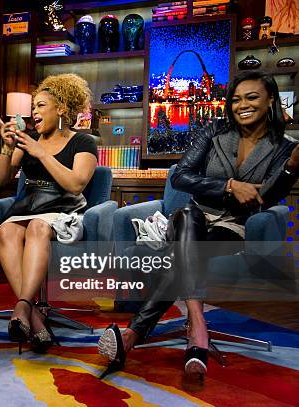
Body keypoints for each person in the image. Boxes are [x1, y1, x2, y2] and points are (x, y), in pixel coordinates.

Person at [97, 70, 299, 380]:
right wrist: (229, 186)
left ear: (270, 99)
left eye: (252, 97)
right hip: (195, 215)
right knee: (187, 218)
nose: (242, 105)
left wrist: (291, 168)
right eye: (236, 99)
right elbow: (179, 176)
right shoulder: (215, 130)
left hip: (234, 226)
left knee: (184, 257)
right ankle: (198, 325)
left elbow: (268, 197)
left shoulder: (284, 146)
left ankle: (133, 335)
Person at [0, 73, 98, 353]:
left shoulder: (83, 142)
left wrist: (41, 154)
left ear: (61, 108)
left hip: (64, 210)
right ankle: (35, 316)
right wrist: (7, 146)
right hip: (29, 207)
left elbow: (76, 184)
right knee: (6, 229)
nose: (34, 112)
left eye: (41, 106)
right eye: (33, 107)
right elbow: (0, 180)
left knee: (38, 227)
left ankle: (23, 307)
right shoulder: (27, 140)